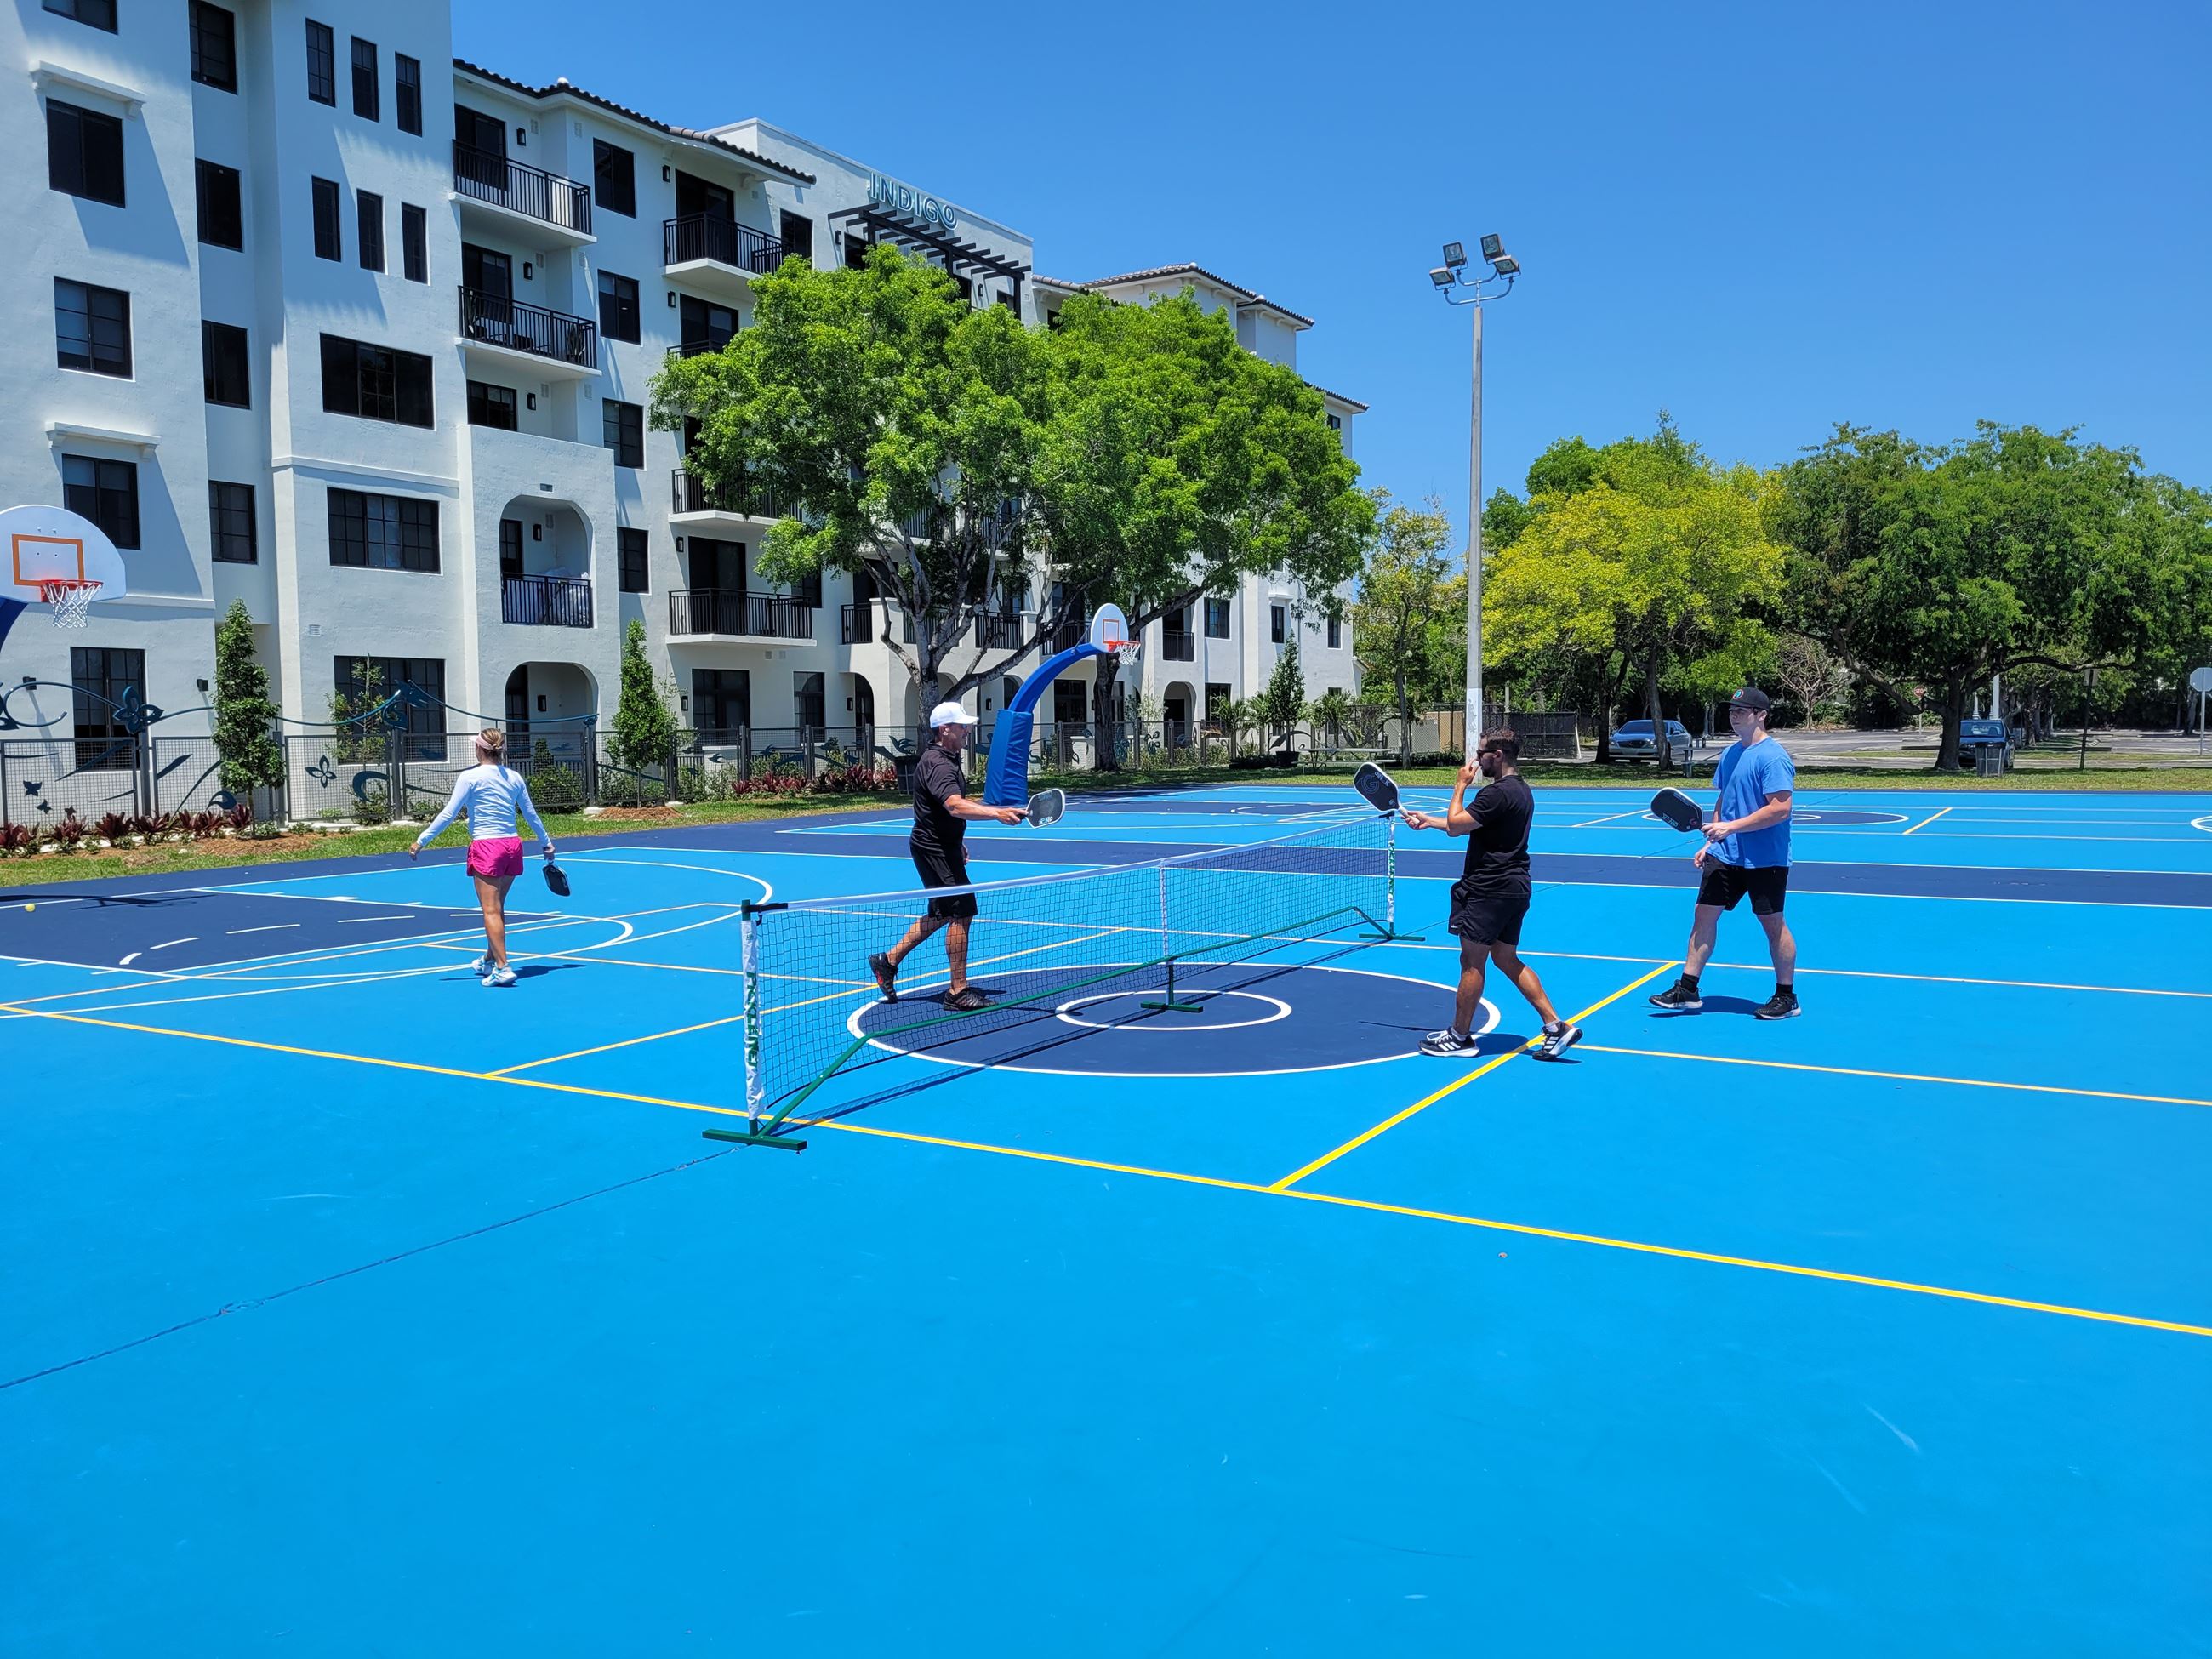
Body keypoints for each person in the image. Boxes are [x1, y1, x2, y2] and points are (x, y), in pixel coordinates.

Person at [1404, 729, 1582, 1060]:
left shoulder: (1495, 793)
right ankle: (1556, 1026)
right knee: (1506, 958)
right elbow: (1468, 823)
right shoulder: (1521, 791)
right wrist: (1429, 821)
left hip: (1489, 890)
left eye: (1481, 752)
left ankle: (1459, 1037)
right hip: (1515, 888)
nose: (1476, 758)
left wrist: (1459, 784)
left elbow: (1458, 825)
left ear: (1497, 756)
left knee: (1472, 962)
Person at [1648, 686, 1800, 1019]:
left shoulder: (1774, 757)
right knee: (1703, 914)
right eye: (1731, 711)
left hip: (1765, 859)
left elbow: (1780, 809)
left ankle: (1786, 997)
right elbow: (1724, 800)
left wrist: (1731, 828)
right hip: (1726, 855)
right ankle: (1687, 989)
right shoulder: (1732, 753)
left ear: (1761, 715)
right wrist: (1712, 841)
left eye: (1741, 711)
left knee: (1772, 923)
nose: (1734, 717)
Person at [869, 702, 1026, 1011]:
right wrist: (996, 813)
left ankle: (887, 961)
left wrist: (959, 840)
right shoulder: (939, 764)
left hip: (943, 845)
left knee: (942, 912)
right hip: (933, 848)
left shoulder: (947, 759)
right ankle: (957, 991)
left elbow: (948, 809)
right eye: (962, 726)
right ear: (945, 730)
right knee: (962, 910)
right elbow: (954, 805)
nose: (967, 731)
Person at [408, 727, 556, 989]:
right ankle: (490, 959)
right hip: (512, 846)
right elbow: (531, 815)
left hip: (487, 847)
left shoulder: (470, 777)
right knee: (496, 909)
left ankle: (503, 967)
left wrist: (422, 840)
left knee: (490, 910)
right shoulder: (513, 777)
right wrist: (546, 843)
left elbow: (448, 814)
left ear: (479, 749)